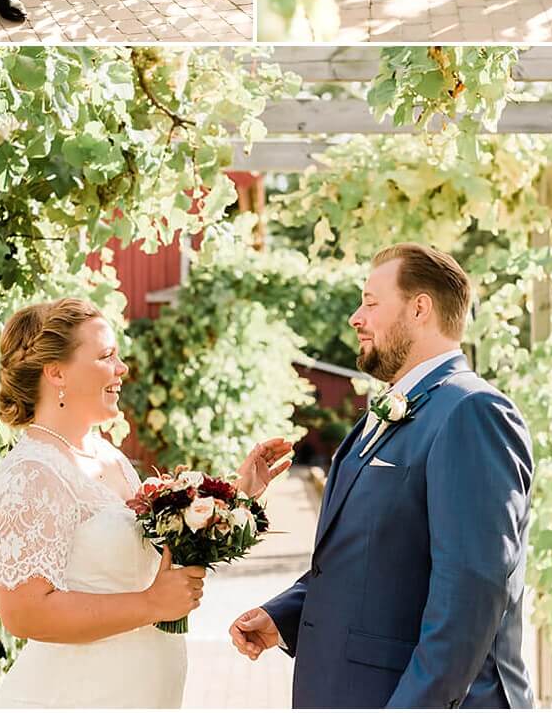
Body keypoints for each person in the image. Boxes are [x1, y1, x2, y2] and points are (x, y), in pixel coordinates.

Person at [229, 245, 534, 710]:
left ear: (419, 308)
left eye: (371, 302)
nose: (356, 317)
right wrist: (285, 615)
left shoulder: (472, 411)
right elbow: (373, 560)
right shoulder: (384, 416)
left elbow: (470, 595)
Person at [0, 298, 292, 709]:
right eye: (106, 356)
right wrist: (150, 604)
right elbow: (24, 614)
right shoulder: (30, 473)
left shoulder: (108, 457)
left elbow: (157, 551)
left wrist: (237, 496)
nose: (122, 368)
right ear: (56, 371)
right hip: (75, 697)